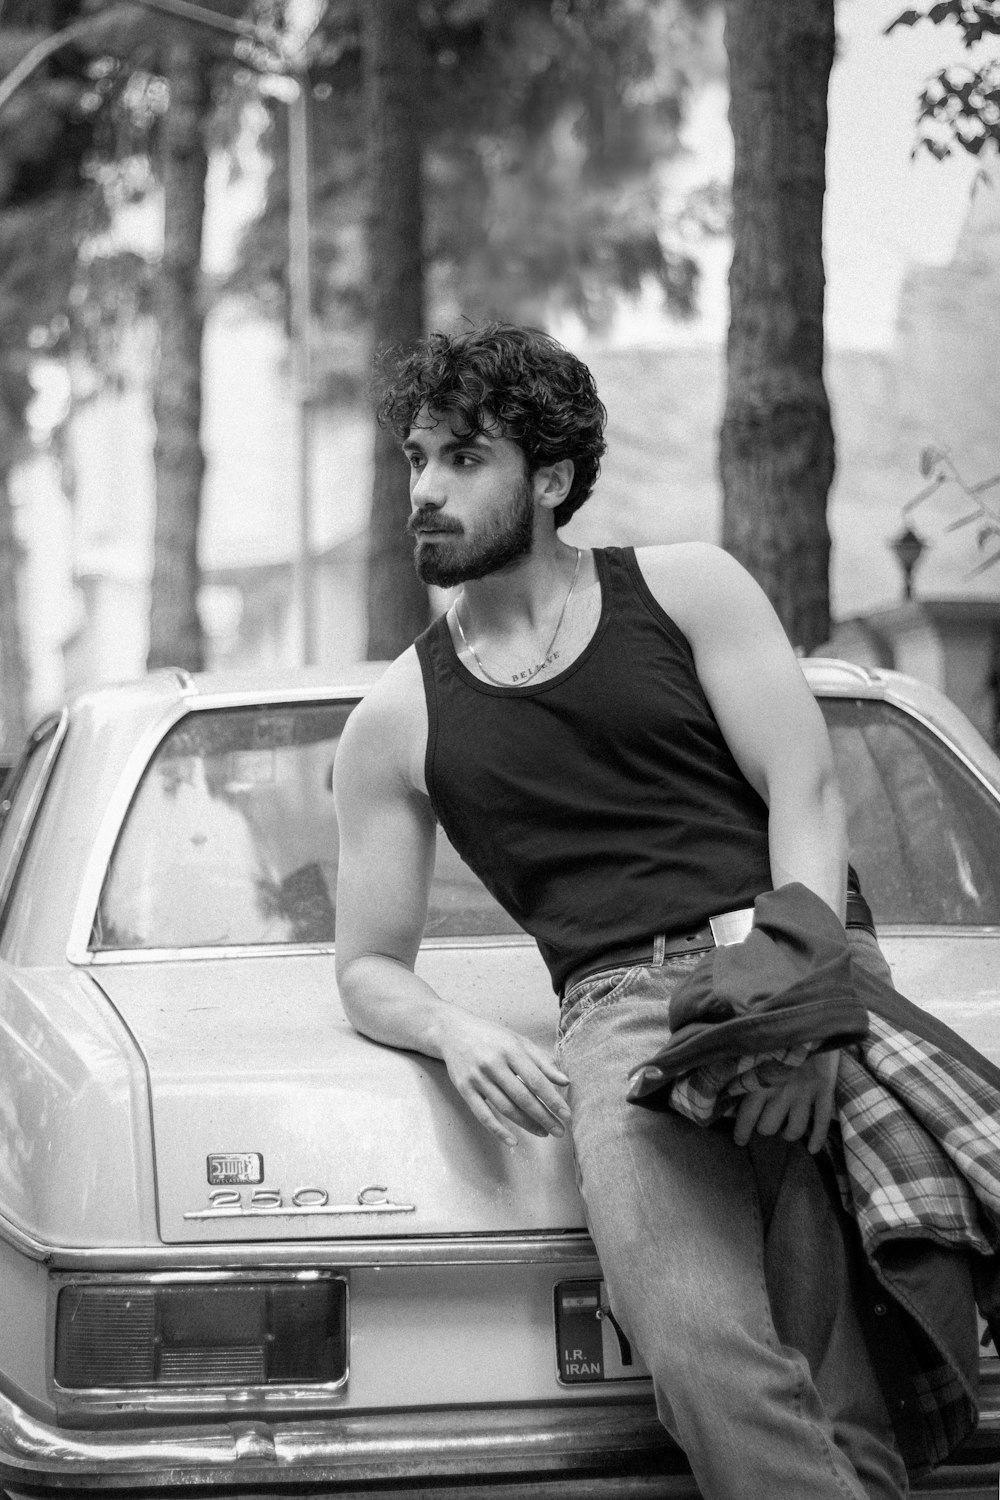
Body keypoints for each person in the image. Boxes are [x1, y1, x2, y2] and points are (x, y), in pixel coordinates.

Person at [333, 322, 910, 1500]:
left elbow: (802, 790)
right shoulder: (396, 718)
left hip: (793, 950)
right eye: (416, 458)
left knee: (843, 1364)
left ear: (548, 479)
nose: (426, 491)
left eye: (462, 459)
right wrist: (453, 1030)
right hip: (619, 1022)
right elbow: (366, 968)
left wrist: (798, 993)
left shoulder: (685, 586)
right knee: (698, 1348)